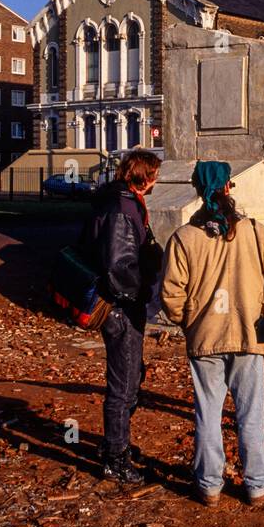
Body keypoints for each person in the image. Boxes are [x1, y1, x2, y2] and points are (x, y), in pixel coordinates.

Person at [160, 161, 264, 507]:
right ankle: (259, 485)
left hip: (205, 338)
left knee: (208, 413)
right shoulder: (254, 231)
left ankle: (208, 485)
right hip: (249, 335)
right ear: (228, 188)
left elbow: (171, 294)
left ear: (198, 191)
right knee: (250, 415)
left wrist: (188, 321)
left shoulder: (183, 238)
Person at [81, 149, 163, 484]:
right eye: (154, 173)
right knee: (124, 383)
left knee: (130, 376)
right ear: (143, 175)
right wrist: (141, 294)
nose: (157, 178)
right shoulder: (121, 208)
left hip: (123, 303)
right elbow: (118, 265)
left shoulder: (123, 201)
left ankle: (118, 443)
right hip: (120, 307)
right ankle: (115, 457)